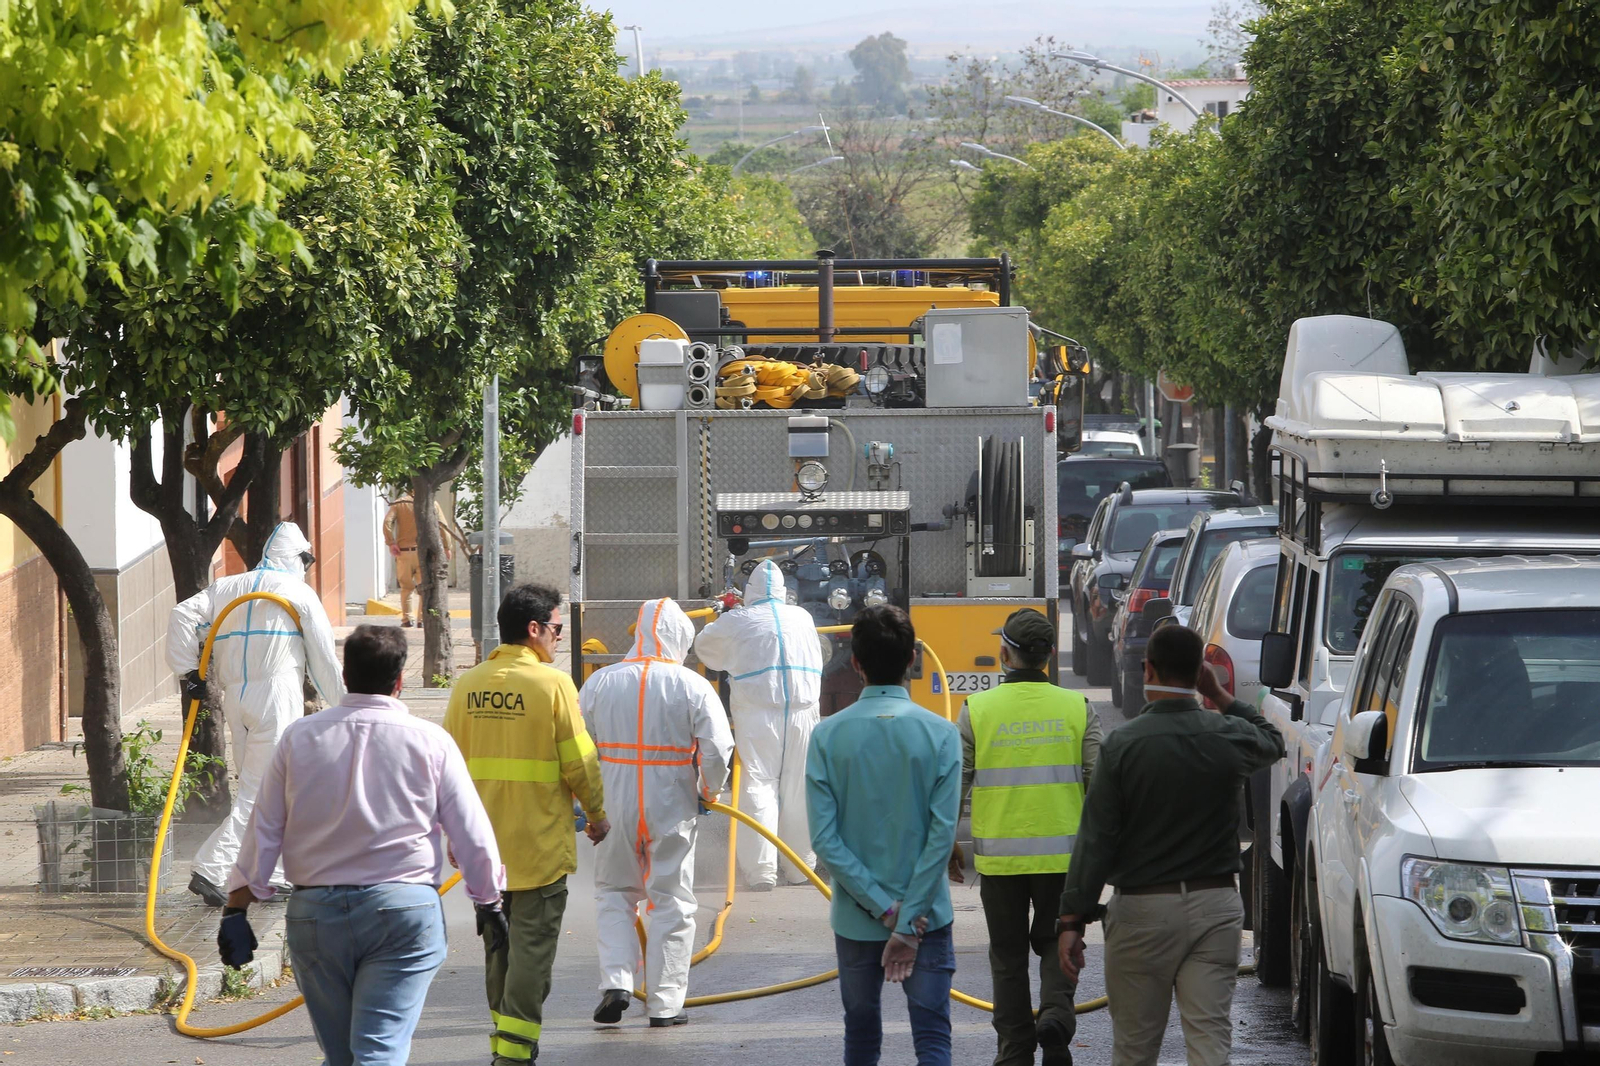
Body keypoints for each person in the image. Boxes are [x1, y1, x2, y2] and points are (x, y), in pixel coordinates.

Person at [219, 625, 505, 1066]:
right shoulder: (430, 741)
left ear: (345, 675)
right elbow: (472, 831)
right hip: (402, 912)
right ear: (399, 680)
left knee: (341, 1055)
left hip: (316, 916)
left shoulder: (299, 737)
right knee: (378, 1051)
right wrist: (488, 900)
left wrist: (237, 908)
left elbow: (264, 826)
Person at [1056, 624, 1285, 1066]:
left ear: (1148, 669)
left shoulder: (1122, 745)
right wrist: (1219, 695)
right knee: (1210, 1041)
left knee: (1135, 1048)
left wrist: (1072, 919)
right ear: (1200, 672)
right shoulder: (1225, 735)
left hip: (1142, 911)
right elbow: (1272, 741)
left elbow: (1097, 839)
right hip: (1215, 906)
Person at [445, 583, 609, 1065]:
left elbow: (446, 767)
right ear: (534, 629)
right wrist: (596, 815)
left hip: (482, 848)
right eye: (557, 628)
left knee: (499, 947)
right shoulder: (552, 685)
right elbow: (580, 761)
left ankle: (506, 1041)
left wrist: (453, 833)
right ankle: (514, 1054)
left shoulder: (468, 685)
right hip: (537, 846)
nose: (559, 637)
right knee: (531, 953)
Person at [806, 605, 962, 1066]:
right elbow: (941, 836)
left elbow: (824, 839)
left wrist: (884, 910)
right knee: (933, 1037)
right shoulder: (941, 734)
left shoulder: (827, 736)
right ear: (912, 659)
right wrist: (909, 920)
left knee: (860, 1036)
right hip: (927, 919)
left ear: (855, 662)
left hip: (857, 920)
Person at [166, 520, 344, 907]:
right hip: (275, 697)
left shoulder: (227, 587)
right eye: (306, 560)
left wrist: (188, 673)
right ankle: (210, 868)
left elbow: (182, 614)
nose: (307, 566)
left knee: (272, 787)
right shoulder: (297, 592)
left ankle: (270, 874)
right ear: (297, 557)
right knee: (261, 791)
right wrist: (347, 705)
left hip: (236, 698)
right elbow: (324, 659)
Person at [954, 609, 1101, 1066]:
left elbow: (955, 783)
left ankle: (1015, 1050)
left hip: (1001, 862)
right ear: (1051, 655)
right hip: (1064, 859)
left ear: (1004, 654)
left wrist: (945, 844)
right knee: (1060, 940)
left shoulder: (978, 710)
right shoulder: (1077, 708)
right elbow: (1100, 783)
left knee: (1008, 956)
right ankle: (1055, 1018)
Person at [581, 598, 735, 1028]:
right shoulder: (691, 685)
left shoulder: (600, 682)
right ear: (680, 638)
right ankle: (665, 1004)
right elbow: (718, 747)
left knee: (615, 892)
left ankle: (617, 981)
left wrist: (585, 802)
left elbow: (579, 745)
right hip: (672, 801)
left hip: (613, 799)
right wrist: (709, 791)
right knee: (671, 900)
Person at [695, 558, 823, 889]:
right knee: (799, 786)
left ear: (750, 591)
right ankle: (800, 867)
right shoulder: (803, 617)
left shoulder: (737, 620)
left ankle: (761, 871)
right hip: (804, 712)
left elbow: (705, 648)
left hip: (758, 713)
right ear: (783, 591)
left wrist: (729, 623)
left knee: (759, 785)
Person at [383, 491, 469, 628]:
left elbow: (387, 522)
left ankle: (407, 619)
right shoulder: (431, 503)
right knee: (424, 587)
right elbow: (443, 526)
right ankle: (421, 619)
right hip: (423, 553)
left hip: (404, 553)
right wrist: (447, 547)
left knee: (406, 588)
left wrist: (391, 542)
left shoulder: (399, 504)